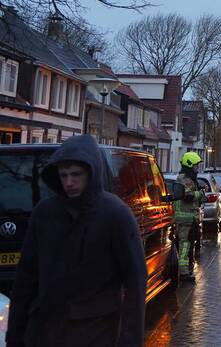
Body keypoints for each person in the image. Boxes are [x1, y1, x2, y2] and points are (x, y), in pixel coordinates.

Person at [8, 134, 146, 347]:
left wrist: (129, 340)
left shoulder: (115, 215)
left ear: (91, 172)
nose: (69, 182)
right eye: (63, 176)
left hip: (96, 332)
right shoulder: (44, 214)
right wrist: (15, 336)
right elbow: (25, 280)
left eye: (76, 174)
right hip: (45, 330)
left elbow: (135, 282)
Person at [175, 151, 205, 280]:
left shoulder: (189, 179)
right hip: (185, 218)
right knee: (185, 244)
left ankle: (186, 268)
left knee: (189, 244)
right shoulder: (184, 179)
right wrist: (200, 193)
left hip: (190, 218)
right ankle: (183, 272)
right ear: (189, 165)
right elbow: (188, 196)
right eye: (195, 166)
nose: (197, 168)